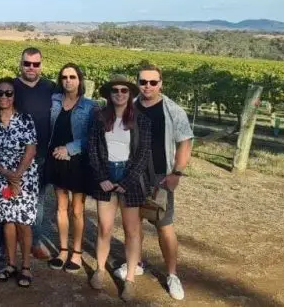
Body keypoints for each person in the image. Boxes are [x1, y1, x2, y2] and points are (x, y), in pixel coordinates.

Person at [114, 64, 193, 301]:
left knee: (164, 226)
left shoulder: (172, 110)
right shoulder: (130, 106)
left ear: (161, 84)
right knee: (133, 226)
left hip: (160, 177)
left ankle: (171, 275)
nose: (147, 86)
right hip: (132, 176)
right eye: (143, 82)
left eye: (153, 82)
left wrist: (177, 173)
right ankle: (136, 263)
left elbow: (185, 142)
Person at [89, 75, 153, 302]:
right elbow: (93, 151)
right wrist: (102, 177)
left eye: (124, 91)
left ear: (130, 94)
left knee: (131, 231)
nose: (119, 94)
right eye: (115, 90)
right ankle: (100, 269)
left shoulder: (141, 121)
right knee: (104, 228)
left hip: (130, 178)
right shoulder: (98, 119)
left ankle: (130, 281)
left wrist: (126, 181)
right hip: (106, 176)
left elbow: (143, 155)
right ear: (108, 94)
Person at [0, 77, 39, 288]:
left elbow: (31, 148)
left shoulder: (25, 119)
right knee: (7, 221)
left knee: (23, 222)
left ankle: (26, 267)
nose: (4, 97)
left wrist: (17, 175)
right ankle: (11, 264)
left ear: (15, 96)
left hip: (25, 177)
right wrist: (4, 172)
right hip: (1, 175)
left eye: (8, 93)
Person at [1, 47, 55, 261]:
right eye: (27, 63)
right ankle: (5, 245)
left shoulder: (51, 87)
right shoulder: (11, 87)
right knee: (7, 200)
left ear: (41, 65)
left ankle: (34, 242)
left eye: (36, 64)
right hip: (12, 156)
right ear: (20, 64)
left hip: (41, 155)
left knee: (37, 202)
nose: (31, 68)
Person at [46, 64, 97, 273]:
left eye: (73, 77)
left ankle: (76, 253)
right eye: (65, 77)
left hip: (77, 162)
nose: (68, 80)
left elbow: (92, 138)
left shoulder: (90, 106)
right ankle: (63, 250)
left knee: (77, 210)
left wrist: (69, 148)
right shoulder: (55, 101)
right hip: (56, 159)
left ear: (80, 80)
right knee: (60, 207)